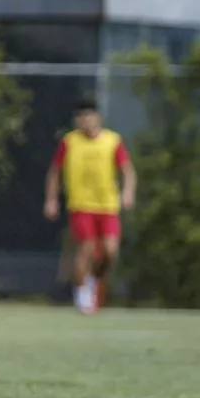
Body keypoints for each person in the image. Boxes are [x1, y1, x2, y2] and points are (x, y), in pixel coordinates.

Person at [44, 97, 136, 314]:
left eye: (88, 115)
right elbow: (55, 172)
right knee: (85, 248)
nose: (84, 120)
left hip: (107, 205)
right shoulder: (70, 142)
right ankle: (82, 292)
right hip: (81, 205)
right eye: (80, 117)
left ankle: (94, 281)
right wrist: (51, 199)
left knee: (110, 252)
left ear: (98, 118)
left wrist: (128, 192)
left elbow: (128, 171)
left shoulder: (112, 141)